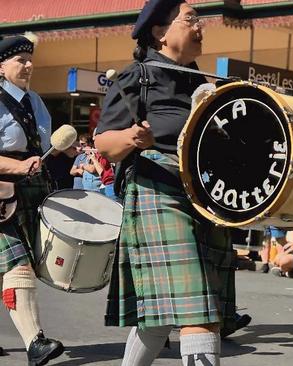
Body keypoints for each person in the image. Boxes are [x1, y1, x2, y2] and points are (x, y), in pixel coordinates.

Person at [94, 1, 235, 365]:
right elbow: (104, 144)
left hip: (204, 195)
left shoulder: (201, 83)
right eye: (190, 19)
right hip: (159, 191)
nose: (199, 26)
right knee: (197, 312)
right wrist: (133, 138)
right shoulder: (136, 77)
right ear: (160, 32)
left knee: (166, 314)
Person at [0, 34, 65, 366]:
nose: (27, 65)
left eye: (29, 59)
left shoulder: (36, 100)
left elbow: (41, 146)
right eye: (19, 60)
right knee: (16, 263)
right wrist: (18, 165)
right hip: (1, 192)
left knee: (16, 264)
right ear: (1, 66)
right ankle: (35, 343)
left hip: (32, 188)